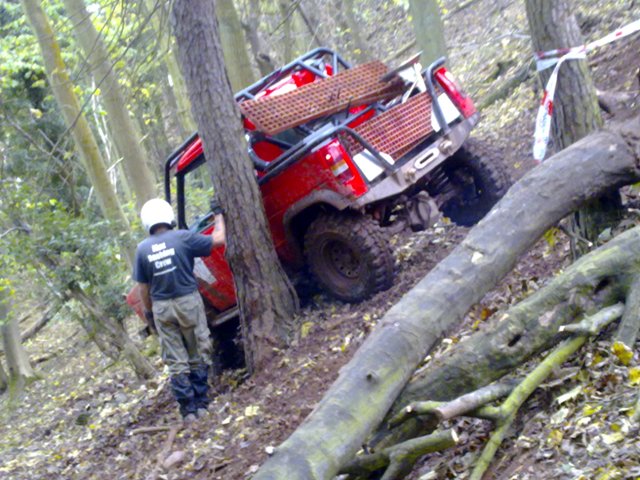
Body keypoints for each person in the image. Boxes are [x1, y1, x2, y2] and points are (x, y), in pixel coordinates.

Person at [133, 198, 226, 423]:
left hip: (162, 308)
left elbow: (143, 288)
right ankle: (202, 404)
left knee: (176, 360)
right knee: (197, 352)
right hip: (188, 303)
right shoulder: (183, 237)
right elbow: (219, 239)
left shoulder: (142, 249)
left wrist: (150, 313)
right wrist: (218, 214)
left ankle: (188, 411)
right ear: (168, 216)